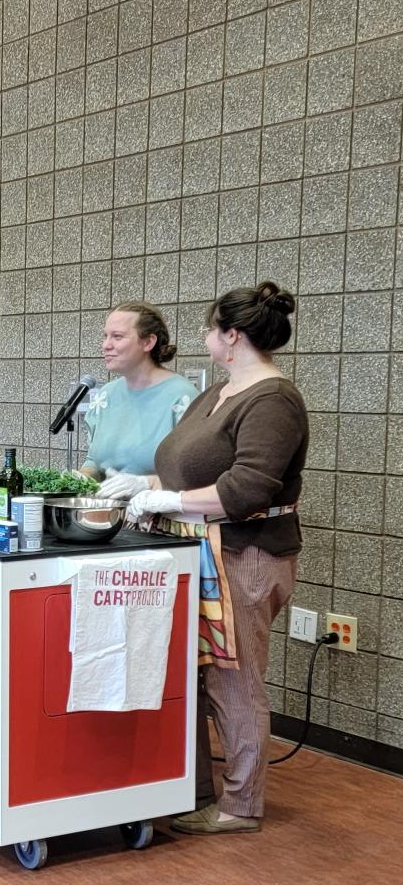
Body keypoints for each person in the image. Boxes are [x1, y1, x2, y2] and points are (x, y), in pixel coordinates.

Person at [123, 281, 308, 834]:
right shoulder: (220, 392)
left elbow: (249, 487)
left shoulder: (273, 399)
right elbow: (188, 469)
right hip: (200, 550)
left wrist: (169, 499)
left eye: (209, 327)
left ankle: (240, 805)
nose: (203, 336)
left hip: (246, 556)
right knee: (203, 679)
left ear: (232, 336)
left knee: (236, 678)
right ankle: (199, 790)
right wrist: (145, 483)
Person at [78, 302, 199, 490]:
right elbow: (94, 460)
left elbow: (193, 474)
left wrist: (147, 485)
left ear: (148, 342)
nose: (106, 345)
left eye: (117, 337)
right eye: (105, 336)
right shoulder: (106, 395)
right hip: (109, 513)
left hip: (161, 514)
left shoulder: (183, 396)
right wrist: (83, 477)